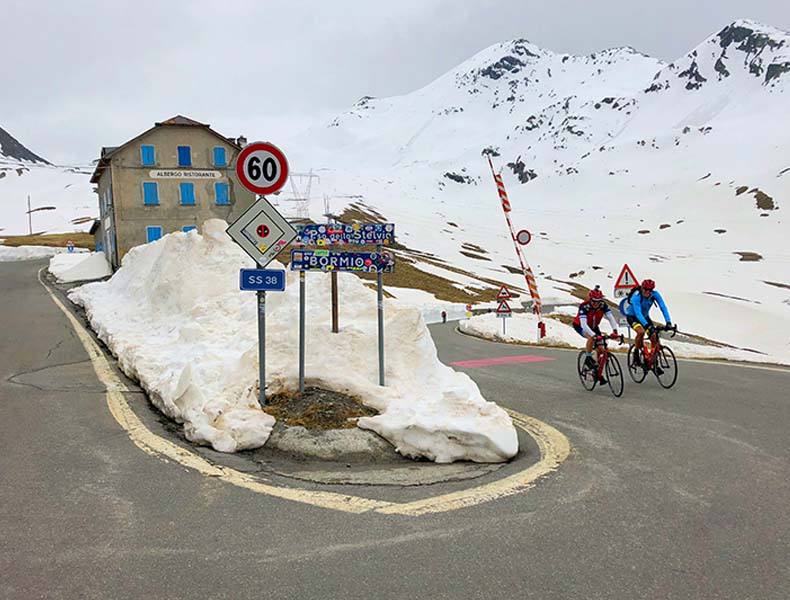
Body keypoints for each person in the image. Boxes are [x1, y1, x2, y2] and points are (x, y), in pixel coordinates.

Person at [572, 286, 620, 384]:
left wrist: (615, 331)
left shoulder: (603, 305)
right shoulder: (584, 307)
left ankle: (598, 372)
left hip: (594, 326)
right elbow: (584, 325)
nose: (596, 304)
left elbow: (611, 318)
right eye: (594, 301)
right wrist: (594, 335)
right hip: (580, 325)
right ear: (590, 300)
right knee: (591, 337)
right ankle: (588, 357)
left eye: (598, 301)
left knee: (601, 348)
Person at [621, 278, 673, 367]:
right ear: (642, 288)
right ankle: (636, 354)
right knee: (641, 332)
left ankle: (652, 361)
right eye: (645, 289)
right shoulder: (636, 297)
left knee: (654, 336)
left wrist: (668, 322)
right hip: (633, 317)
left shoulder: (655, 294)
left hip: (645, 317)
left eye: (650, 290)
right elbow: (638, 313)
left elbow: (663, 307)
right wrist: (647, 325)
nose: (647, 292)